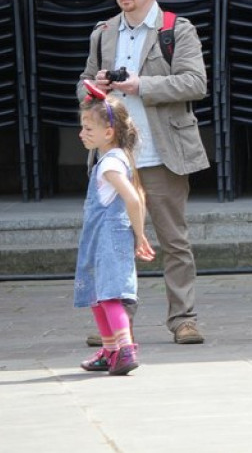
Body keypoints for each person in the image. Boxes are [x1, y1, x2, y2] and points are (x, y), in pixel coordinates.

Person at [78, 0, 210, 345]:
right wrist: (95, 87)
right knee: (115, 243)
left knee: (174, 241)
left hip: (163, 151)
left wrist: (141, 86)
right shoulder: (102, 33)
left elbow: (194, 83)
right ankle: (117, 325)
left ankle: (184, 319)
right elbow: (83, 84)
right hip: (118, 156)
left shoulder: (177, 30)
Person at [75, 89, 156, 374]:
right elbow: (140, 195)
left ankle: (124, 349)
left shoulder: (109, 163)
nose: (81, 133)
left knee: (109, 295)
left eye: (88, 128)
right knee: (98, 295)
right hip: (101, 240)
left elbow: (133, 199)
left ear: (108, 132)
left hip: (108, 239)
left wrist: (140, 234)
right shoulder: (120, 157)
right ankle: (110, 350)